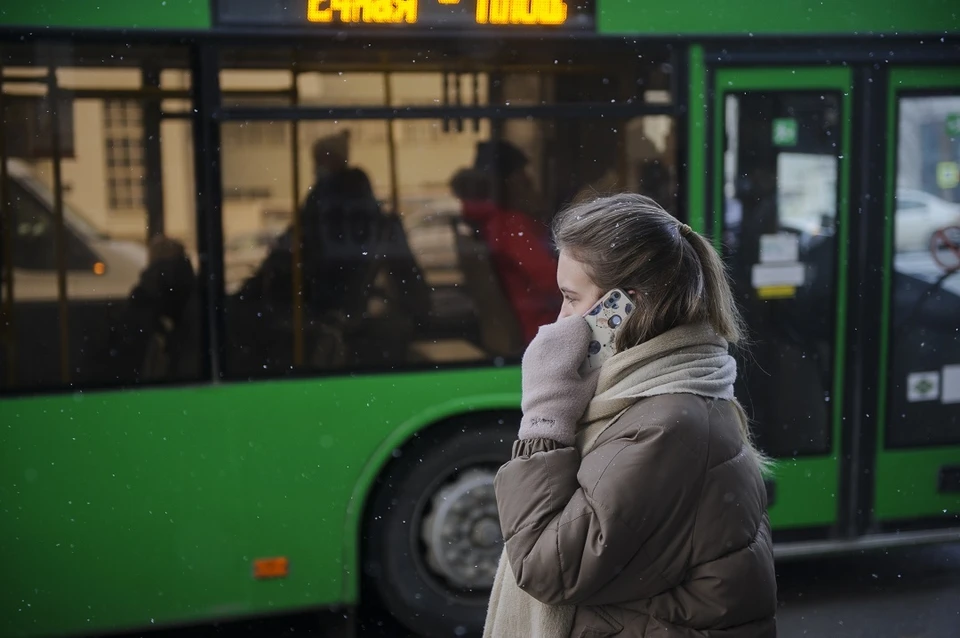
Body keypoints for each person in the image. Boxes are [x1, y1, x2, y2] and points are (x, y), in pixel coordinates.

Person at [484, 193, 777, 637]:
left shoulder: (666, 424)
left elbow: (547, 567)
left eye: (570, 298)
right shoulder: (662, 398)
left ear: (623, 308)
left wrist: (545, 417)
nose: (559, 319)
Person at [452, 140, 560, 343]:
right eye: (522, 174)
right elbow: (554, 283)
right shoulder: (511, 226)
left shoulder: (493, 222)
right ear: (508, 182)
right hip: (544, 326)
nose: (528, 181)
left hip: (539, 322)